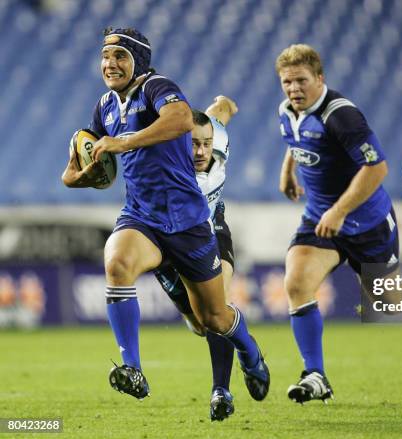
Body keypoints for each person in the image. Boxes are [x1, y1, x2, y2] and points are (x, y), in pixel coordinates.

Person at [61, 27, 269, 406]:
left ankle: (251, 352)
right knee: (117, 262)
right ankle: (132, 368)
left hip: (188, 221)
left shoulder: (157, 87)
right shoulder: (105, 106)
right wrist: (84, 176)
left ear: (138, 60)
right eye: (106, 57)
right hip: (142, 217)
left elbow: (181, 120)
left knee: (212, 320)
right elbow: (71, 174)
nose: (110, 64)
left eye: (120, 57)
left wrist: (124, 141)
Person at [276, 44, 399, 403]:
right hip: (319, 219)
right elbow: (295, 139)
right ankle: (315, 374)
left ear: (320, 79)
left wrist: (341, 210)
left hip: (368, 225)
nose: (293, 89)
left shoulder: (342, 115)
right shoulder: (286, 110)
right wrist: (288, 172)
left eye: (301, 80)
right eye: (286, 82)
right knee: (296, 282)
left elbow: (377, 168)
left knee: (390, 303)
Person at [153, 96, 239, 421]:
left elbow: (222, 112)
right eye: (193, 145)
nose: (201, 152)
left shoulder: (217, 136)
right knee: (200, 325)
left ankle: (221, 391)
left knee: (219, 309)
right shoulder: (166, 167)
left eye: (206, 144)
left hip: (214, 233)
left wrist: (224, 105)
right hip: (174, 243)